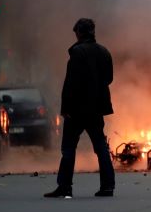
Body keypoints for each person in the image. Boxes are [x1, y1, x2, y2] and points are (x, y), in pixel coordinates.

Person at [44, 18, 115, 198]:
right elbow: (109, 79)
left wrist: (65, 108)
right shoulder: (104, 52)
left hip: (77, 109)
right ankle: (108, 186)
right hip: (96, 109)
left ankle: (65, 187)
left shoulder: (77, 53)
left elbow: (71, 84)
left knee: (68, 149)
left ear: (79, 33)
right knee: (101, 147)